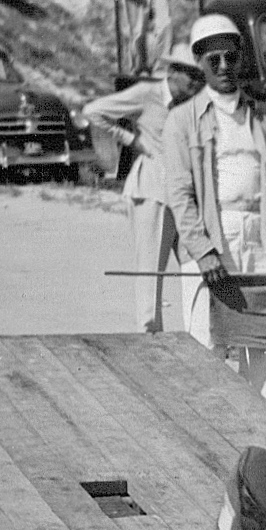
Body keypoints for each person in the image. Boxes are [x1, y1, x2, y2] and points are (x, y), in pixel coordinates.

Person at [158, 14, 266, 397]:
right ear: (200, 62)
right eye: (214, 59)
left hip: (259, 240)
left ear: (241, 59)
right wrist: (203, 251)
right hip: (211, 240)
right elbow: (180, 194)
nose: (224, 67)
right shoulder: (182, 120)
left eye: (231, 57)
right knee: (206, 344)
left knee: (261, 348)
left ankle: (260, 445)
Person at [79, 49, 203, 334]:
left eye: (200, 75)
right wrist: (131, 139)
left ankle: (199, 335)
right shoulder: (148, 93)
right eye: (191, 74)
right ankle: (149, 337)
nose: (197, 81)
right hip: (152, 190)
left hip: (185, 195)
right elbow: (93, 111)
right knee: (150, 270)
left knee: (196, 264)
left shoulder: (193, 104)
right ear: (172, 72)